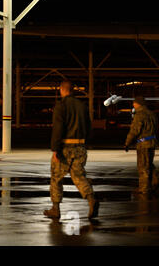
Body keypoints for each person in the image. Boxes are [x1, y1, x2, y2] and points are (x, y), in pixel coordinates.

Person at [44, 80, 99, 219]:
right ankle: (91, 199)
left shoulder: (61, 106)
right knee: (79, 176)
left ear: (62, 90)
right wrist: (86, 143)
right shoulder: (82, 106)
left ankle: (55, 209)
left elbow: (58, 128)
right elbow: (88, 127)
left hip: (65, 147)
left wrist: (55, 149)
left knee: (56, 177)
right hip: (80, 146)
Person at [125, 96, 158, 194]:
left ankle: (144, 188)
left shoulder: (139, 115)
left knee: (143, 166)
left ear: (138, 104)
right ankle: (154, 183)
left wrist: (127, 142)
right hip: (152, 142)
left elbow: (135, 130)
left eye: (134, 103)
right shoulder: (152, 114)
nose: (133, 105)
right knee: (149, 164)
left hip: (143, 144)